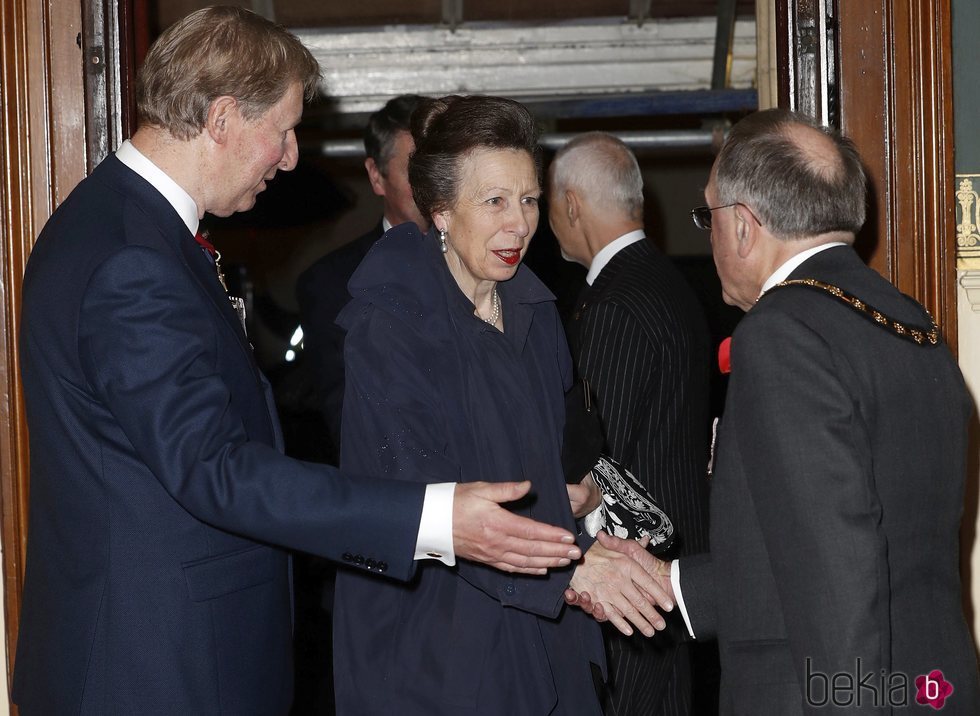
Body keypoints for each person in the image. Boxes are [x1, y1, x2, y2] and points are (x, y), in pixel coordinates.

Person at [12, 9, 596, 715]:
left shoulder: (120, 224)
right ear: (224, 117)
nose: (290, 157)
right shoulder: (133, 256)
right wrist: (435, 517)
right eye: (283, 130)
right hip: (152, 667)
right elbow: (214, 470)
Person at [573, 108, 980, 714]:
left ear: (742, 225)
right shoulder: (912, 323)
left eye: (707, 215)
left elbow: (840, 574)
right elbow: (841, 549)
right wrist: (674, 585)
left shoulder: (782, 331)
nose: (707, 235)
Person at [331, 95, 675, 715]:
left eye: (528, 200)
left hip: (540, 628)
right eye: (493, 202)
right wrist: (570, 571)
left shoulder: (534, 311)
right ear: (440, 210)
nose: (518, 224)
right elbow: (422, 500)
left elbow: (564, 451)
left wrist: (589, 518)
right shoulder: (389, 327)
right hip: (438, 644)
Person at [548, 131, 712, 716]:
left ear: (569, 204)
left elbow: (593, 457)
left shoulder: (614, 303)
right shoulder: (671, 283)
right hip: (677, 576)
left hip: (631, 584)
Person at [296, 94, 427, 456]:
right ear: (376, 175)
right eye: (416, 170)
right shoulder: (330, 283)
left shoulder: (492, 264)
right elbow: (348, 424)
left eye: (441, 166)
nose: (433, 184)